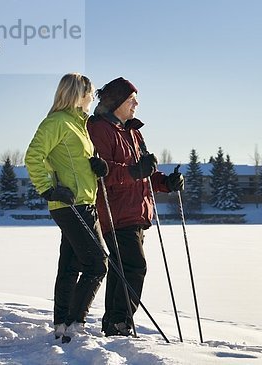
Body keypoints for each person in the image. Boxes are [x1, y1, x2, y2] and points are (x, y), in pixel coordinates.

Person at [87, 77, 184, 336]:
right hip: (115, 211)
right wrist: (134, 171)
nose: (136, 104)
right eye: (131, 100)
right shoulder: (99, 129)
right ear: (117, 102)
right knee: (134, 266)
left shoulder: (133, 132)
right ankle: (120, 322)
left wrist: (166, 182)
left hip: (136, 211)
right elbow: (101, 172)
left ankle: (114, 323)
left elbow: (143, 172)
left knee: (123, 269)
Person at [24, 73, 110, 340]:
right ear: (78, 94)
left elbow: (72, 163)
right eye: (91, 92)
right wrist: (49, 189)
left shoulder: (79, 125)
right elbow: (32, 156)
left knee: (71, 265)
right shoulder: (57, 122)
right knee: (98, 264)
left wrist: (97, 168)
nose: (93, 97)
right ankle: (75, 323)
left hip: (83, 201)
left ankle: (62, 324)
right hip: (71, 203)